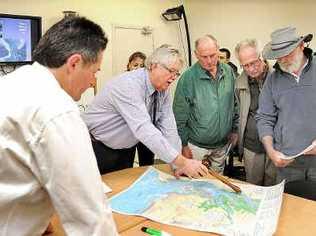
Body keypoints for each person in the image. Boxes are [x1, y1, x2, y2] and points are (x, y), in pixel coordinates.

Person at [0, 17, 118, 235]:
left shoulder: (11, 83)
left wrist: (37, 217)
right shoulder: (57, 110)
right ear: (74, 63)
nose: (93, 81)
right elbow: (90, 219)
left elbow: (12, 164)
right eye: (95, 72)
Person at [83, 45, 208, 178]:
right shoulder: (129, 85)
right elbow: (144, 128)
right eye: (171, 71)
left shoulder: (163, 91)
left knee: (124, 190)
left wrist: (177, 165)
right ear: (154, 65)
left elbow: (169, 128)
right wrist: (183, 162)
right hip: (98, 148)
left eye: (176, 73)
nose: (173, 77)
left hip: (126, 150)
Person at [256, 26, 316, 184]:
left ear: (302, 46)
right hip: (288, 162)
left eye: (287, 54)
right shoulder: (273, 80)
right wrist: (271, 151)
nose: (281, 60)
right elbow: (264, 118)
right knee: (291, 206)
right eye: (277, 56)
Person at [173, 35, 239, 174]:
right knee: (195, 185)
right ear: (196, 55)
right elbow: (179, 115)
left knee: (216, 184)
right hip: (196, 146)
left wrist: (235, 129)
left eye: (213, 55)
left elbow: (235, 103)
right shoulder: (188, 78)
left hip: (221, 145)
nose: (209, 61)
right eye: (204, 57)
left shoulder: (228, 72)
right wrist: (183, 144)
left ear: (218, 51)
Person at [234, 39, 276, 186]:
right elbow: (240, 112)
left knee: (273, 184)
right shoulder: (239, 84)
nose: (251, 69)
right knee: (253, 186)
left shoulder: (278, 78)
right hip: (251, 144)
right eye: (246, 65)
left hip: (276, 143)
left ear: (261, 57)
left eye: (254, 62)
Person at [126, 51, 155, 166]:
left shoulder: (150, 85)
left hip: (145, 129)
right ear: (128, 66)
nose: (138, 68)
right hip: (127, 131)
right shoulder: (122, 83)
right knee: (126, 163)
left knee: (147, 163)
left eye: (142, 66)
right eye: (135, 65)